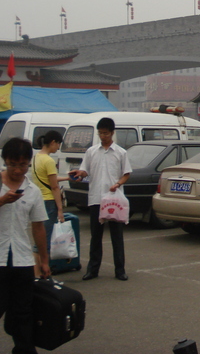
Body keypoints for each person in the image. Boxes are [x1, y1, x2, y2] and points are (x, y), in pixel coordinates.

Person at [0, 137, 50, 354]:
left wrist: (44, 260)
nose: (17, 170)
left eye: (23, 165)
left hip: (22, 259)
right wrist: (2, 200)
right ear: (5, 161)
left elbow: (38, 228)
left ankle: (24, 349)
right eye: (13, 164)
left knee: (23, 311)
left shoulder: (32, 190)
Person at [68, 117, 132, 281]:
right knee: (95, 237)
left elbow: (126, 174)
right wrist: (79, 173)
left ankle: (120, 270)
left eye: (105, 133)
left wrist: (118, 184)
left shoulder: (120, 152)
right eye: (100, 133)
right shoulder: (91, 152)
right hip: (96, 198)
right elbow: (85, 171)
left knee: (116, 237)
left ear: (112, 133)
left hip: (114, 200)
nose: (102, 136)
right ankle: (93, 270)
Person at [32, 130, 68, 254]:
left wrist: (67, 177)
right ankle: (42, 269)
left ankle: (38, 268)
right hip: (48, 202)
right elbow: (54, 187)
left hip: (38, 200)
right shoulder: (49, 161)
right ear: (53, 142)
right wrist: (60, 209)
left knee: (38, 236)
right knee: (45, 240)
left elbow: (47, 179)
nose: (58, 148)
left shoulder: (35, 157)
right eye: (58, 144)